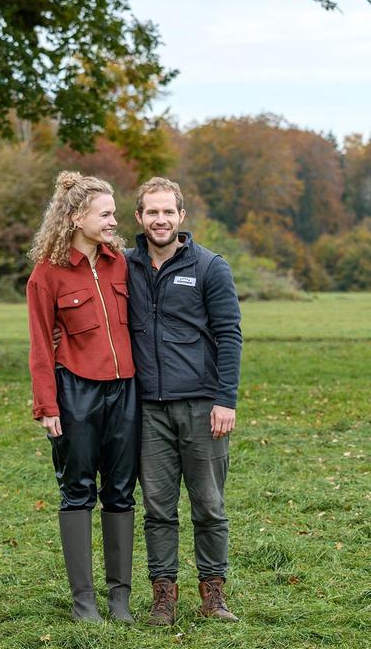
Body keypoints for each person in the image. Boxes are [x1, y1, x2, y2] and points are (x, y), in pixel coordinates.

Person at [125, 177, 243, 625]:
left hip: (201, 406)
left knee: (209, 504)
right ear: (139, 217)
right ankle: (163, 596)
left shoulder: (211, 267)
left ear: (181, 216)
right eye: (151, 212)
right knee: (157, 507)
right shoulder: (125, 266)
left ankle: (213, 594)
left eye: (167, 211)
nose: (160, 219)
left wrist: (225, 399)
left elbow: (229, 335)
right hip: (147, 409)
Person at [26, 171, 139, 623]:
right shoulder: (46, 275)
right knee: (77, 493)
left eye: (113, 213)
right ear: (76, 218)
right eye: (106, 214)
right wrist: (46, 405)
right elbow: (38, 343)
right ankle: (84, 602)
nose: (115, 221)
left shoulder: (122, 264)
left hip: (126, 391)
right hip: (75, 392)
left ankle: (120, 599)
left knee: (120, 492)